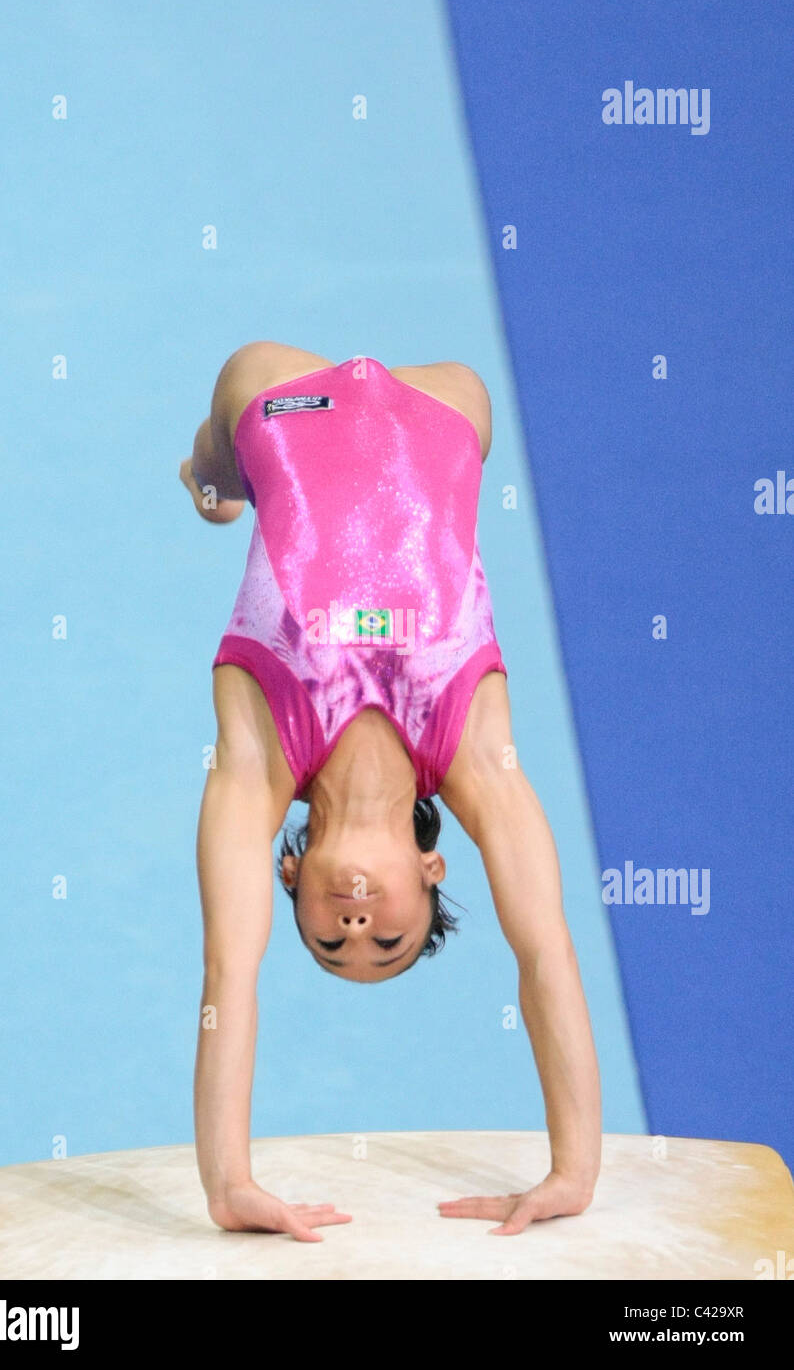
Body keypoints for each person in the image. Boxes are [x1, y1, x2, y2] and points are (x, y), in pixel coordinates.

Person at [179, 341, 601, 1241]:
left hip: (278, 394)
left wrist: (229, 1181)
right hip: (440, 411)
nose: (356, 921)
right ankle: (213, 481)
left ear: (287, 878)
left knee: (221, 469)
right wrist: (574, 1167)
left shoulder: (258, 763)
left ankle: (206, 473)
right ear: (433, 865)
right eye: (388, 937)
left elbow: (229, 975)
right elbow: (546, 953)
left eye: (332, 940)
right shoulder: (475, 754)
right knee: (457, 396)